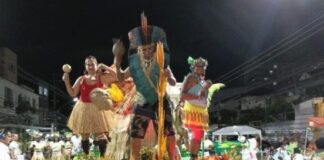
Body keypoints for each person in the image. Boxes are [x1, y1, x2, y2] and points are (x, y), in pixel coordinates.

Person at [114, 13, 177, 160]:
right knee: (136, 134)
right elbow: (121, 77)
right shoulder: (134, 64)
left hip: (161, 100)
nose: (147, 52)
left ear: (155, 48)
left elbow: (173, 81)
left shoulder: (162, 61)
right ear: (140, 50)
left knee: (169, 132)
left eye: (150, 49)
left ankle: (173, 157)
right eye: (144, 50)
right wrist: (117, 62)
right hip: (142, 100)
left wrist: (169, 77)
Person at [62, 55, 118, 158]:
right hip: (83, 108)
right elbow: (73, 93)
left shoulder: (101, 77)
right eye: (88, 64)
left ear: (97, 65)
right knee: (84, 135)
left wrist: (104, 66)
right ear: (85, 66)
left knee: (101, 134)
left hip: (98, 108)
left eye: (93, 64)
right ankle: (86, 156)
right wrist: (66, 82)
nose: (90, 66)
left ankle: (103, 157)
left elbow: (116, 76)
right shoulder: (81, 79)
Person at [180, 56, 224, 159]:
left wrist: (205, 88)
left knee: (199, 136)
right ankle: (192, 157)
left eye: (204, 66)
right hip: (193, 109)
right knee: (196, 136)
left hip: (201, 110)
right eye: (200, 66)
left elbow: (202, 96)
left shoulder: (201, 79)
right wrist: (199, 93)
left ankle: (194, 156)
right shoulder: (190, 77)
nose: (203, 68)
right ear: (194, 67)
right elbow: (182, 95)